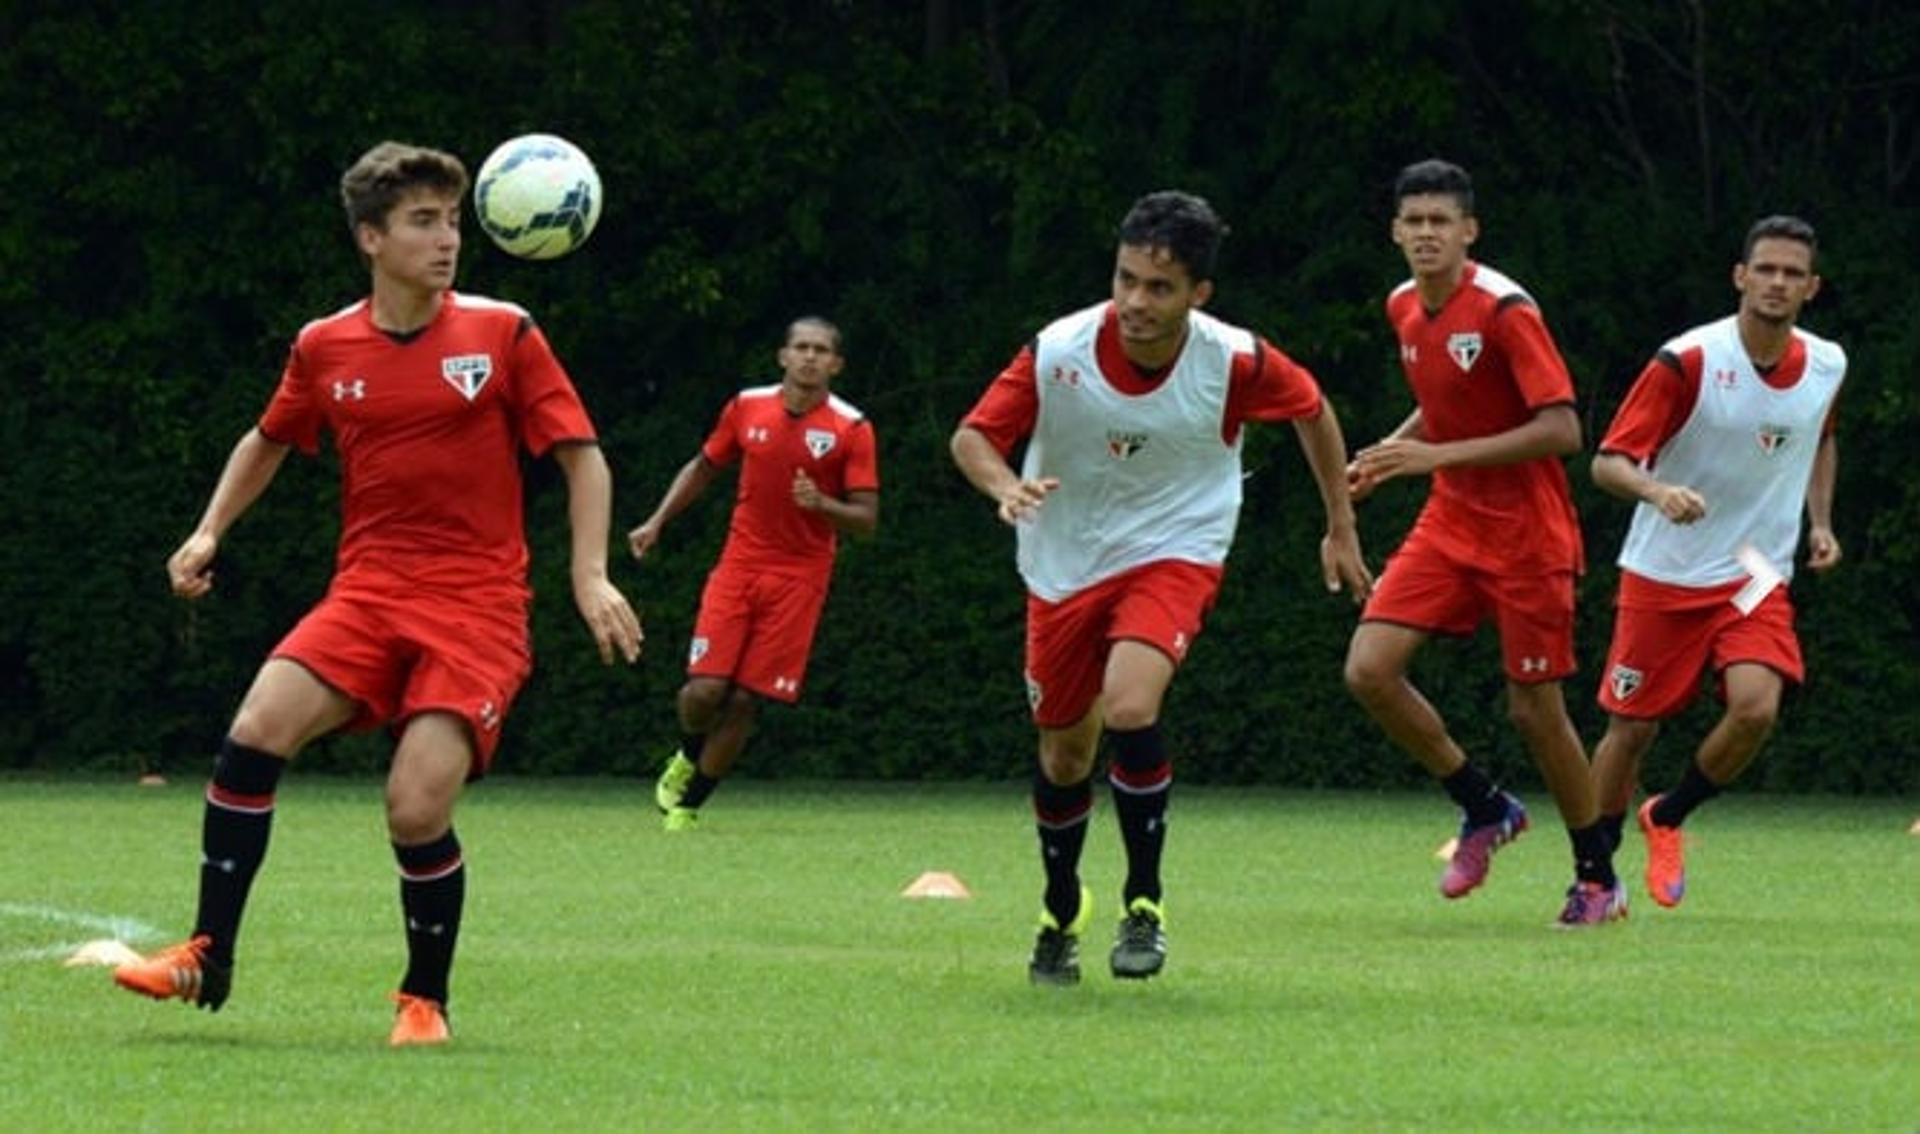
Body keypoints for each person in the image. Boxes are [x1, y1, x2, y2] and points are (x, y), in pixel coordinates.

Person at [111, 141, 643, 1046]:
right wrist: (209, 530)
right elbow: (270, 436)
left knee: (414, 805)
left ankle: (422, 1001)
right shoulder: (326, 345)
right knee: (254, 731)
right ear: (370, 237)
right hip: (366, 592)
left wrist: (588, 575)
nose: (447, 242)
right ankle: (208, 953)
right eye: (423, 223)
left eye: (452, 222)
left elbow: (580, 457)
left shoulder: (503, 332)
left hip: (477, 606)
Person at [951, 190, 1371, 985]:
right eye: (1126, 280)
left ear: (1198, 295)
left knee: (1134, 705)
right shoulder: (1058, 347)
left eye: (1159, 287)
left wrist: (1340, 525)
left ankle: (1144, 901)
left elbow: (1313, 411)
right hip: (1064, 559)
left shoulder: (1234, 359)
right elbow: (971, 435)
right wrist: (1004, 484)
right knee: (1066, 753)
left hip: (1177, 546)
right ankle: (1060, 906)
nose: (1136, 302)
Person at [1343, 159, 1622, 926]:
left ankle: (1597, 874)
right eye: (1414, 221)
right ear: (1396, 232)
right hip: (1450, 522)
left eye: (1442, 221)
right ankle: (1484, 804)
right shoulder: (1404, 305)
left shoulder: (1505, 311)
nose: (1427, 233)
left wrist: (1432, 459)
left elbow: (1562, 428)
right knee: (1369, 670)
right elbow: (1445, 405)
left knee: (1535, 709)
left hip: (1529, 535)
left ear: (1470, 231)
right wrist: (1387, 454)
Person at [1588, 215, 1844, 908]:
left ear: (1811, 287)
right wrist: (1657, 489)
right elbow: (1608, 463)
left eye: (1793, 273)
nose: (1777, 282)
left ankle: (1667, 816)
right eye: (1766, 269)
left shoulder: (1827, 364)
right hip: (1663, 569)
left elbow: (1820, 439)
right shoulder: (1689, 359)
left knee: (1757, 709)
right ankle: (1593, 875)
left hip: (1754, 570)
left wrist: (1820, 522)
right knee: (1631, 729)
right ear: (1740, 276)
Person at [632, 317, 879, 831]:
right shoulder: (747, 407)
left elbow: (866, 520)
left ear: (837, 364)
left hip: (800, 577)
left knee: (744, 701)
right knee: (705, 690)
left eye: (821, 350)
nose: (810, 357)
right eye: (801, 347)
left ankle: (690, 805)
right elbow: (704, 466)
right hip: (740, 565)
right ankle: (686, 755)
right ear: (782, 356)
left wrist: (822, 505)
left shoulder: (851, 428)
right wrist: (657, 521)